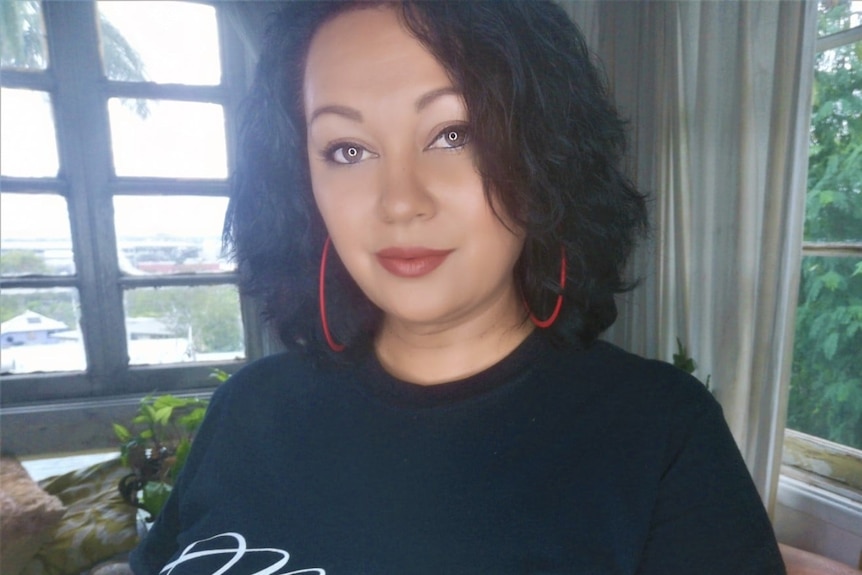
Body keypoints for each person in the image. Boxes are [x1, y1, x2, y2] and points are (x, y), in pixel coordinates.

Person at [131, 1, 786, 573]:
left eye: (453, 134)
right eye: (347, 150)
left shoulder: (661, 434)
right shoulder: (248, 409)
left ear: (543, 155)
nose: (400, 202)